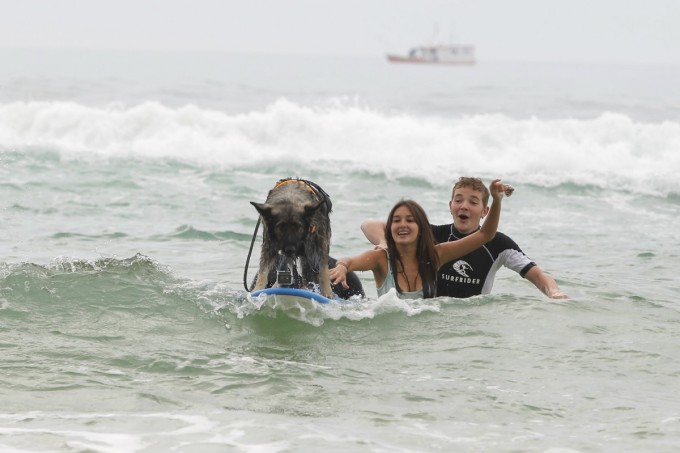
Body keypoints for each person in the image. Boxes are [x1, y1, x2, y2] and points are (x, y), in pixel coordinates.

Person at [361, 177, 568, 299]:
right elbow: (369, 225)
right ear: (450, 206)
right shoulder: (433, 235)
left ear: (485, 210)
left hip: (472, 322)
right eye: (458, 200)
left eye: (473, 202)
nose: (464, 206)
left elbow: (538, 274)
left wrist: (553, 291)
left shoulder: (499, 244)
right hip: (430, 318)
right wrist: (384, 242)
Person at [329, 179, 508, 299]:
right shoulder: (382, 258)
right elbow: (349, 261)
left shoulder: (435, 256)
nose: (402, 225)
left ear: (422, 229)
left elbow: (485, 235)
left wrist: (497, 200)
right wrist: (342, 267)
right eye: (396, 221)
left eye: (410, 220)